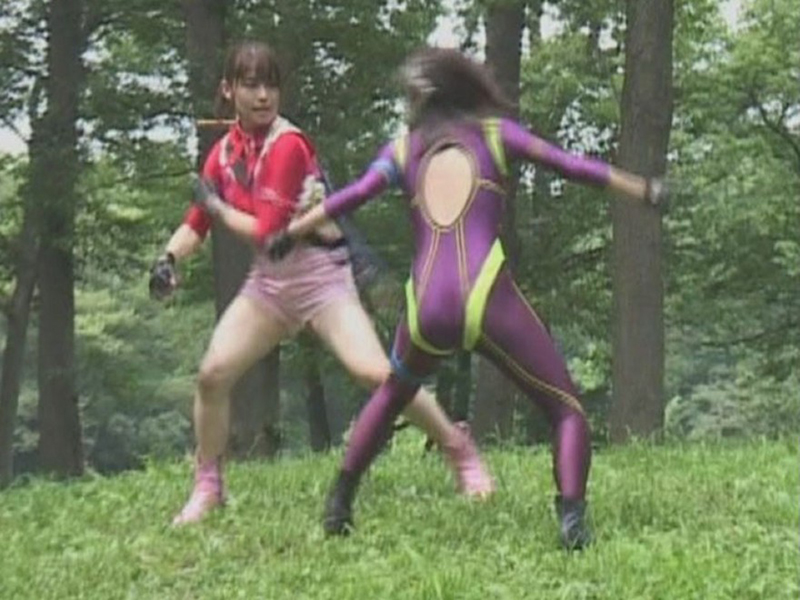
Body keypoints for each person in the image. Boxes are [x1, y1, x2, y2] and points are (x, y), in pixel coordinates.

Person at [269, 47, 668, 550]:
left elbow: (353, 195)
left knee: (392, 394)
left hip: (425, 306)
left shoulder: (403, 150)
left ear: (426, 96)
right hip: (485, 294)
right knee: (566, 409)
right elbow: (572, 166)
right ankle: (572, 522)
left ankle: (338, 505)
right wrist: (644, 189)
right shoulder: (496, 135)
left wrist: (292, 231)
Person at [151, 41, 494, 526]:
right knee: (212, 376)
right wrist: (168, 258)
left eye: (271, 85)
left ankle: (458, 448)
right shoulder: (224, 153)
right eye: (251, 85)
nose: (263, 96)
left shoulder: (288, 145)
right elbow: (195, 223)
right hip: (269, 285)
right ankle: (208, 486)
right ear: (228, 90)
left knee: (376, 375)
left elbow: (267, 229)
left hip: (320, 279)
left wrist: (217, 208)